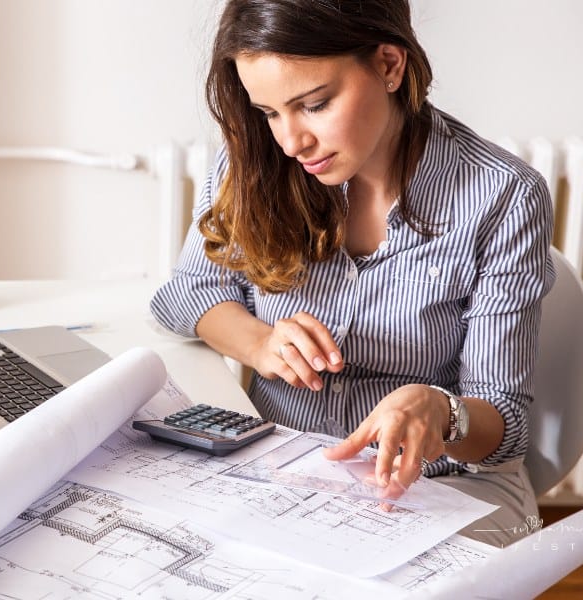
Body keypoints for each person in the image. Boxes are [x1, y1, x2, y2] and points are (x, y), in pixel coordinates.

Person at [150, 0, 554, 548]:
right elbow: (186, 294)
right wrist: (262, 343)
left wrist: (442, 411)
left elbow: (505, 431)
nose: (291, 142)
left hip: (447, 486)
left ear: (390, 65)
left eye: (314, 104)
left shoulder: (504, 196)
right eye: (269, 112)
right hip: (286, 471)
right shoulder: (256, 161)